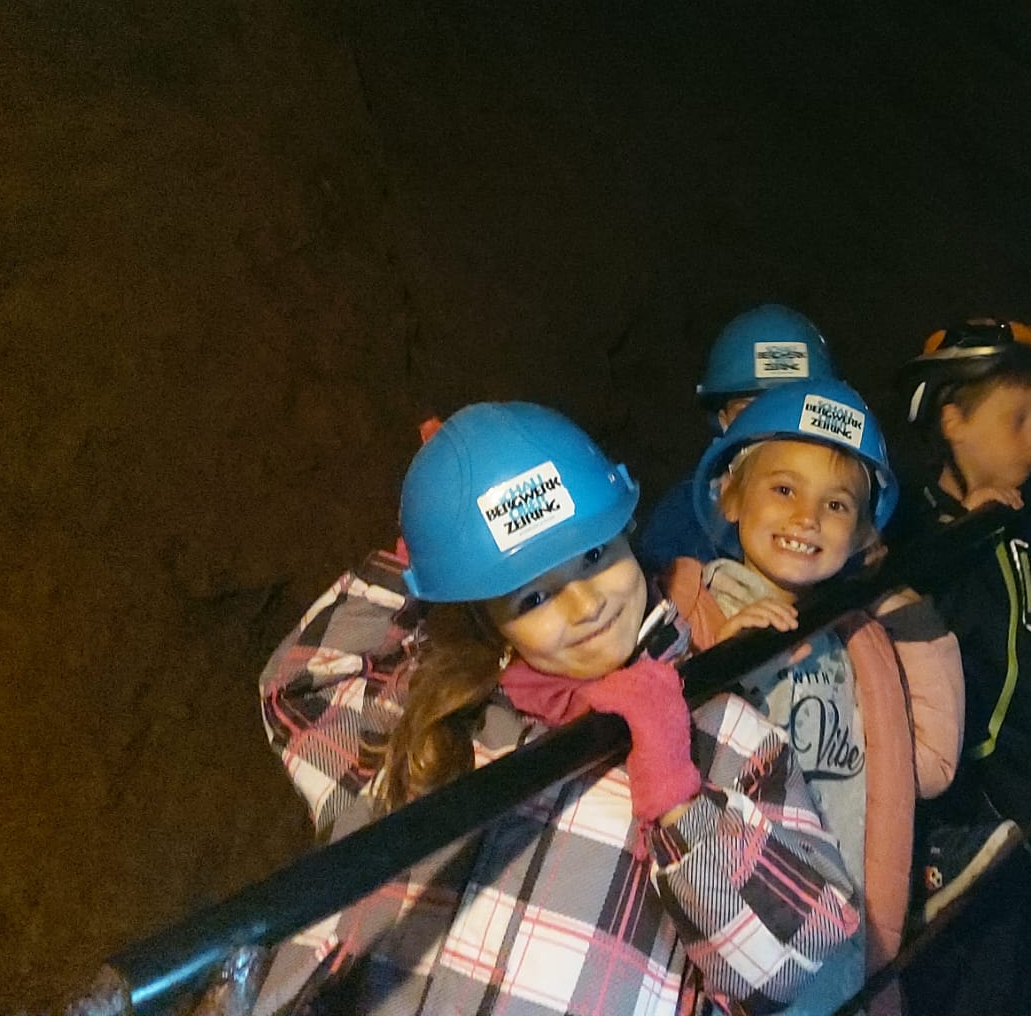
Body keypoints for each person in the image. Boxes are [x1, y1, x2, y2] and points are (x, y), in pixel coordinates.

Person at [250, 402, 860, 1016]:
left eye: (595, 556)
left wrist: (678, 799)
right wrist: (429, 549)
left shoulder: (723, 730)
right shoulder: (437, 713)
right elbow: (301, 689)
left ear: (628, 534)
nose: (586, 605)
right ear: (487, 613)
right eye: (535, 593)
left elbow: (795, 955)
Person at [664, 377, 964, 1014]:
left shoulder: (858, 640)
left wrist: (898, 604)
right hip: (736, 947)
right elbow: (657, 763)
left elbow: (932, 766)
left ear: (862, 536)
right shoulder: (692, 610)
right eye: (783, 489)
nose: (806, 517)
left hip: (844, 945)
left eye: (837, 505)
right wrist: (716, 662)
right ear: (730, 498)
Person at [898, 320, 1031, 916]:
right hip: (957, 811)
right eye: (1015, 420)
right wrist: (963, 540)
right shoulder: (906, 536)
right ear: (952, 421)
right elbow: (925, 650)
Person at [639, 303, 837, 572]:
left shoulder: (859, 494)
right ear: (723, 421)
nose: (774, 426)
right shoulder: (682, 519)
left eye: (794, 409)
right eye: (751, 411)